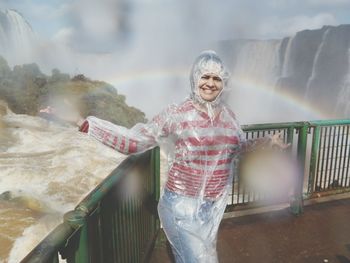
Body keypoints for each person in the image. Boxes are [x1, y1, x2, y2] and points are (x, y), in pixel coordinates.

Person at [51, 50, 288, 262]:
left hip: (212, 207)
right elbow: (134, 142)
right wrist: (83, 123)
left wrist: (267, 142)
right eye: (205, 76)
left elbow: (237, 147)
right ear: (195, 78)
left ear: (224, 84)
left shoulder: (229, 116)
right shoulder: (176, 114)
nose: (210, 83)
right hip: (182, 207)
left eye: (217, 78)